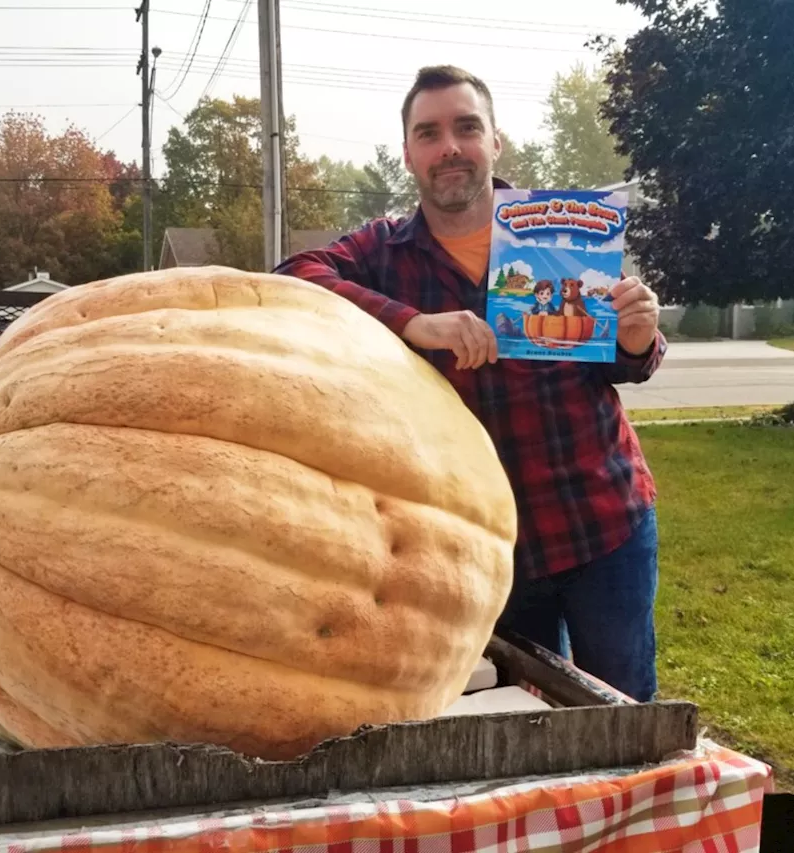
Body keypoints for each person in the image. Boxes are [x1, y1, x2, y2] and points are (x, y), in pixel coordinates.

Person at [273, 65, 667, 702]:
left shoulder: (560, 232)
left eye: (466, 127)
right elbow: (293, 275)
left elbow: (623, 361)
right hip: (483, 544)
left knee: (621, 709)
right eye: (428, 133)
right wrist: (413, 322)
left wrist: (636, 336)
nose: (449, 146)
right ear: (408, 155)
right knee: (524, 712)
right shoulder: (383, 253)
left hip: (600, 522)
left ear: (495, 142)